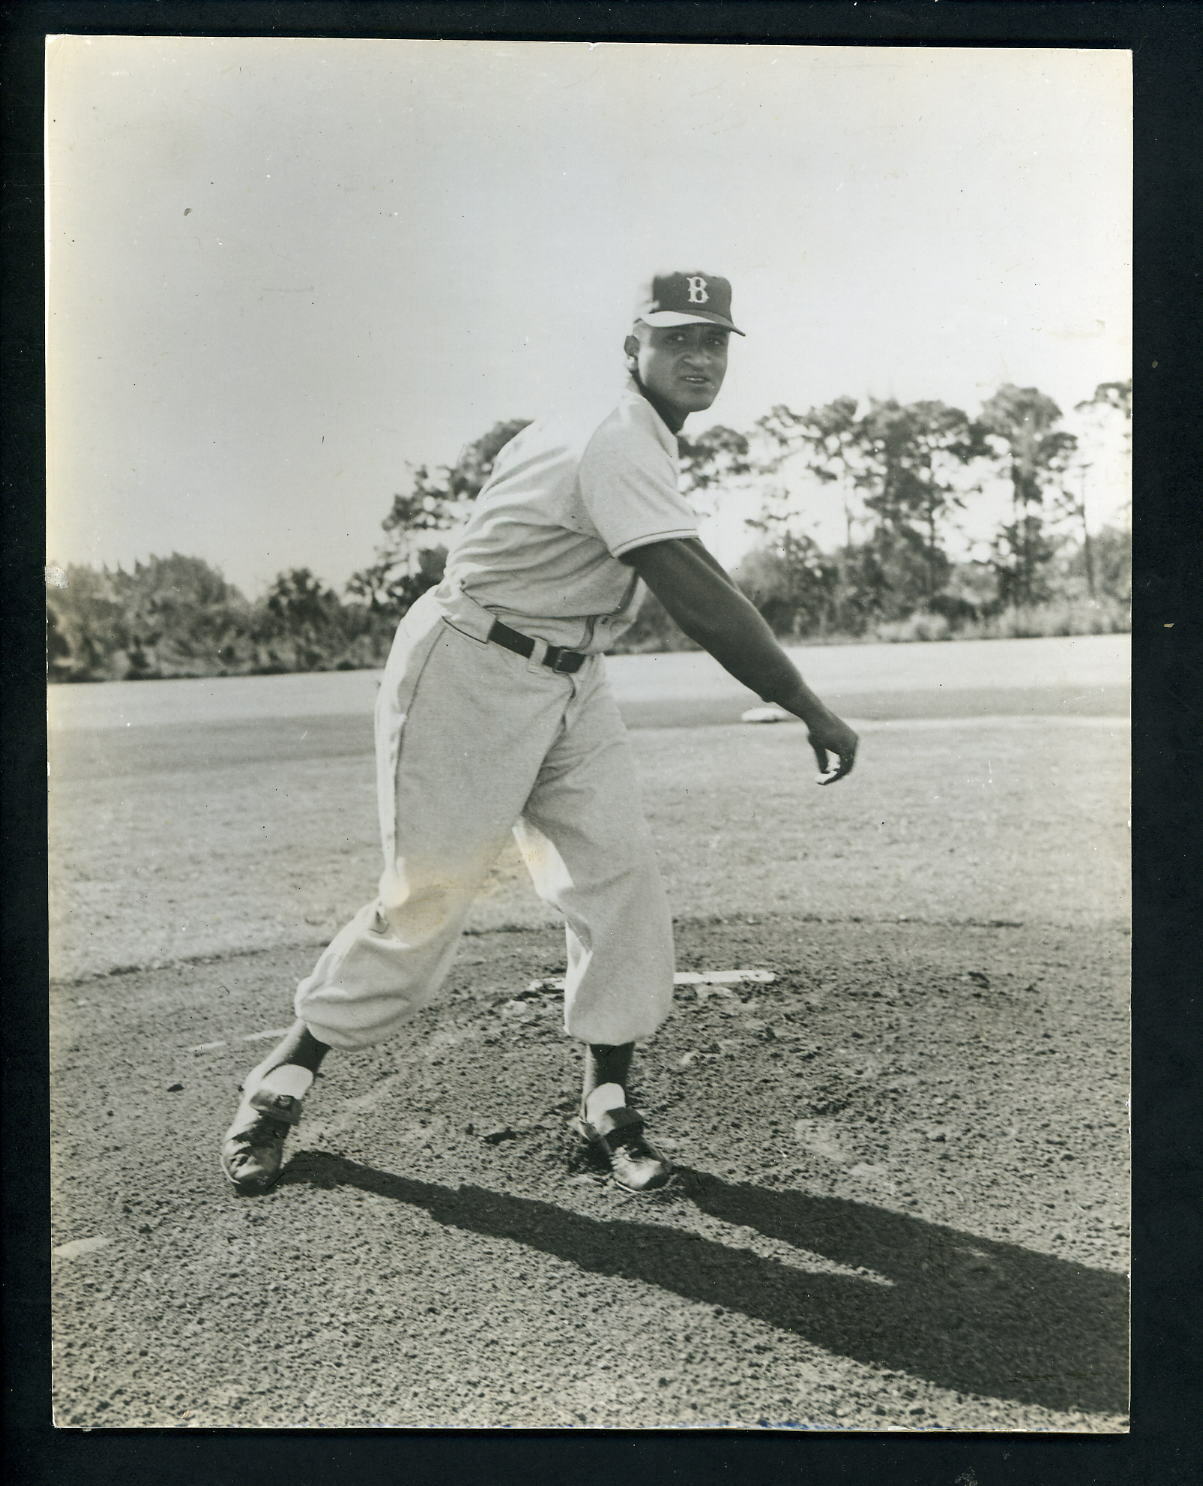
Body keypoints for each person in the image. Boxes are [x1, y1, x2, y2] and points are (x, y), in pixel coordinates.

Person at [221, 270, 858, 1197]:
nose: (697, 356)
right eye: (676, 338)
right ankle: (279, 1082)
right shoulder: (614, 435)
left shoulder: (631, 437)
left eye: (713, 341)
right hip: (470, 669)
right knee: (427, 899)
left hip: (567, 677)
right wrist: (806, 701)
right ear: (631, 347)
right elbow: (696, 596)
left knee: (619, 876)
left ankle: (606, 1106)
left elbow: (687, 563)